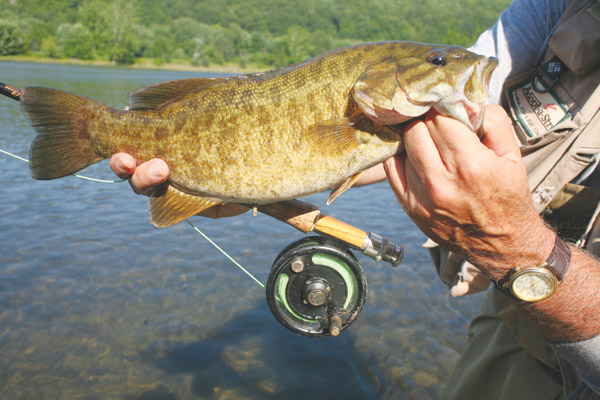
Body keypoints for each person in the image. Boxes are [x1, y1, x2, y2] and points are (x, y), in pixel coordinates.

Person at [110, 0, 600, 397]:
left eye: (437, 63)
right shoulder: (561, 6)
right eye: (435, 62)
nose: (449, 67)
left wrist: (518, 247)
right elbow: (458, 93)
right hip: (518, 311)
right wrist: (250, 182)